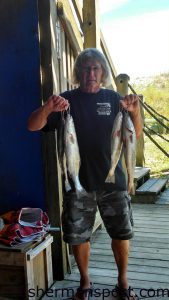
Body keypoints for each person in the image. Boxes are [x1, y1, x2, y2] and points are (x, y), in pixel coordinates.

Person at [28, 48, 142, 300]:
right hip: (78, 184)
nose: (91, 73)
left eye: (96, 68)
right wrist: (48, 108)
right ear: (78, 72)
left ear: (102, 72)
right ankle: (85, 282)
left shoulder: (114, 99)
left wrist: (134, 112)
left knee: (122, 234)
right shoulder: (64, 101)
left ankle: (123, 282)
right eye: (86, 68)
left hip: (114, 183)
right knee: (78, 237)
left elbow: (134, 135)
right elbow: (32, 125)